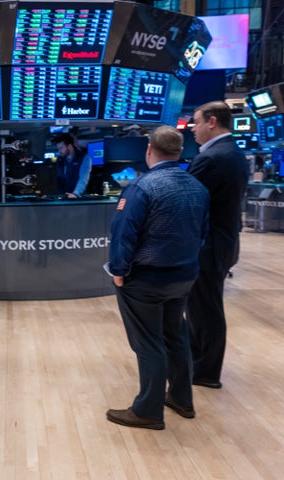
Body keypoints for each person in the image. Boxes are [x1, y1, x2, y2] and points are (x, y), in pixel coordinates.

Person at [105, 126, 210, 430]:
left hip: (146, 280)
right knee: (175, 335)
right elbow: (202, 234)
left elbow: (123, 235)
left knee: (148, 343)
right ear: (179, 151)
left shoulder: (142, 187)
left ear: (149, 149)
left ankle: (147, 411)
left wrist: (119, 271)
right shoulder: (197, 187)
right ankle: (181, 398)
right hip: (184, 276)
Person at [186, 101, 250, 389]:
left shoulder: (213, 158)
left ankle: (206, 372)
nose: (193, 129)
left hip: (208, 246)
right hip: (222, 243)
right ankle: (197, 361)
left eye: (196, 123)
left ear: (212, 121)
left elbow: (183, 197)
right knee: (202, 306)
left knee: (206, 309)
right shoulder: (233, 153)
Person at [54, 133, 92, 198]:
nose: (59, 151)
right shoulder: (60, 160)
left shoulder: (84, 157)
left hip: (78, 199)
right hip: (62, 198)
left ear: (69, 146)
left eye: (61, 148)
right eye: (58, 148)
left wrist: (75, 194)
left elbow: (83, 178)